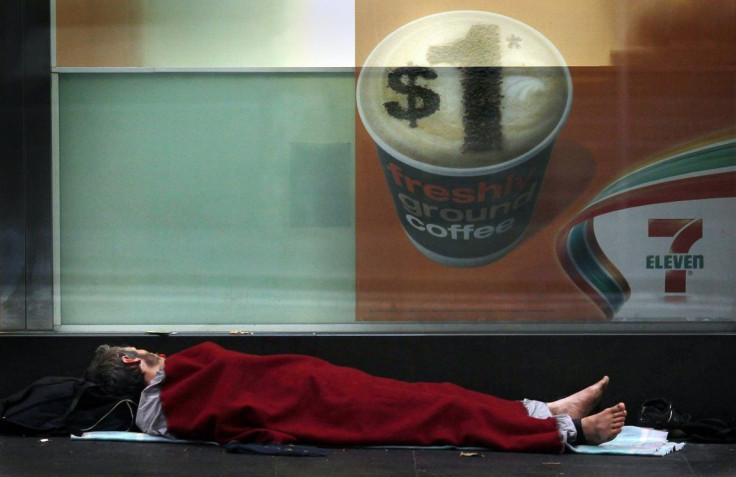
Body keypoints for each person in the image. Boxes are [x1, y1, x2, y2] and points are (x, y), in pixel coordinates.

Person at [84, 342, 626, 453]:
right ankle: (568, 430)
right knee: (441, 410)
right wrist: (159, 372)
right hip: (319, 403)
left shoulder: (161, 405)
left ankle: (546, 410)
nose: (148, 347)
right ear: (134, 362)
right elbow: (224, 403)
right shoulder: (164, 398)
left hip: (316, 386)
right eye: (138, 348)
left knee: (440, 397)